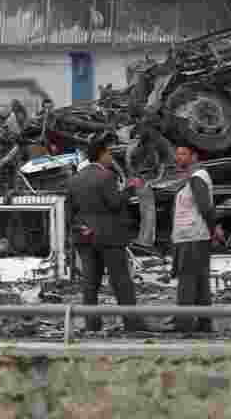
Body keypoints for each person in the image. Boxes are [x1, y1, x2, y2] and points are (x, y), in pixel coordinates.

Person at [67, 134, 147, 333]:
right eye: (109, 153)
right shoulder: (107, 176)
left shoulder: (74, 179)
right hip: (109, 236)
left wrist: (82, 227)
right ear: (101, 155)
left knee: (90, 283)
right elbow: (114, 203)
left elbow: (70, 212)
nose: (111, 157)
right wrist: (129, 189)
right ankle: (132, 324)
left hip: (84, 237)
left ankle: (92, 324)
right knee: (120, 280)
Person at [170, 144, 223, 333]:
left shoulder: (197, 178)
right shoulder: (191, 179)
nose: (178, 158)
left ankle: (184, 324)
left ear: (194, 157)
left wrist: (213, 228)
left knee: (187, 281)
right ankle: (204, 323)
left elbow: (205, 207)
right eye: (177, 154)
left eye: (183, 154)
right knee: (200, 280)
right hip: (192, 236)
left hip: (192, 237)